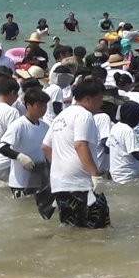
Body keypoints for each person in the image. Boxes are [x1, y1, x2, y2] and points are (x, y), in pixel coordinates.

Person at [41, 78, 109, 228]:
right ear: (88, 99)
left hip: (59, 184)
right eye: (99, 99)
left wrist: (62, 166)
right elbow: (80, 145)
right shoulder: (84, 115)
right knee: (100, 230)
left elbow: (45, 147)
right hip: (81, 184)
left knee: (71, 230)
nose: (101, 103)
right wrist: (95, 175)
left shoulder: (60, 116)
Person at [0, 88, 50, 196]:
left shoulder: (45, 127)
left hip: (39, 179)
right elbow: (1, 147)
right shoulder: (19, 125)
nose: (43, 109)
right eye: (39, 105)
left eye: (45, 105)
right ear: (28, 105)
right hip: (19, 183)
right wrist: (20, 157)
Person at [107, 101, 139, 185]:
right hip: (127, 176)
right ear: (134, 117)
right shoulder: (128, 131)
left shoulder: (115, 127)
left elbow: (109, 147)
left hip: (115, 174)